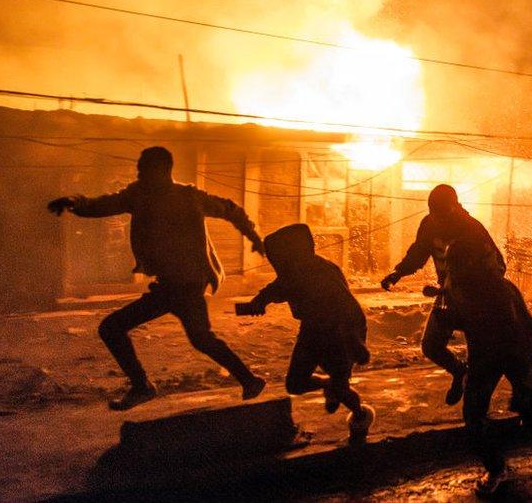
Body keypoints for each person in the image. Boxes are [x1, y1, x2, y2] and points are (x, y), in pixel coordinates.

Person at [47, 146, 266, 410]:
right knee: (198, 338)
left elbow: (232, 210)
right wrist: (74, 202)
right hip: (169, 286)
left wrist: (254, 237)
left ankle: (144, 387)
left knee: (115, 328)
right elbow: (102, 204)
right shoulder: (138, 195)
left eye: (143, 169)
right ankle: (248, 380)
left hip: (186, 286)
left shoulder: (188, 197)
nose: (138, 173)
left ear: (162, 171)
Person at [238, 223, 375, 442]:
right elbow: (275, 289)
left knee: (341, 387)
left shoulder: (318, 272)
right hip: (313, 328)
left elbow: (345, 308)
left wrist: (354, 344)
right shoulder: (297, 272)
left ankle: (360, 417)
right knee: (295, 383)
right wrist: (258, 302)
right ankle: (329, 385)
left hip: (341, 330)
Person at [439, 236, 532, 497]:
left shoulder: (497, 291)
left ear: (470, 263)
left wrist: (525, 383)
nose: (451, 269)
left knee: (528, 404)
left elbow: (511, 335)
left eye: (455, 264)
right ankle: (496, 467)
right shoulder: (462, 285)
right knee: (473, 415)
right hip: (487, 353)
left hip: (516, 349)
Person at [380, 184, 504, 406]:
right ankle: (459, 371)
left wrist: (479, 289)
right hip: (448, 295)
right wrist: (398, 273)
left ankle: (476, 406)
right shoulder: (429, 224)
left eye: (442, 213)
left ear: (455, 207)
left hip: (478, 299)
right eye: (433, 212)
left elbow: (498, 265)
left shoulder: (472, 230)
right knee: (431, 346)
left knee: (480, 353)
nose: (437, 219)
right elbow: (418, 251)